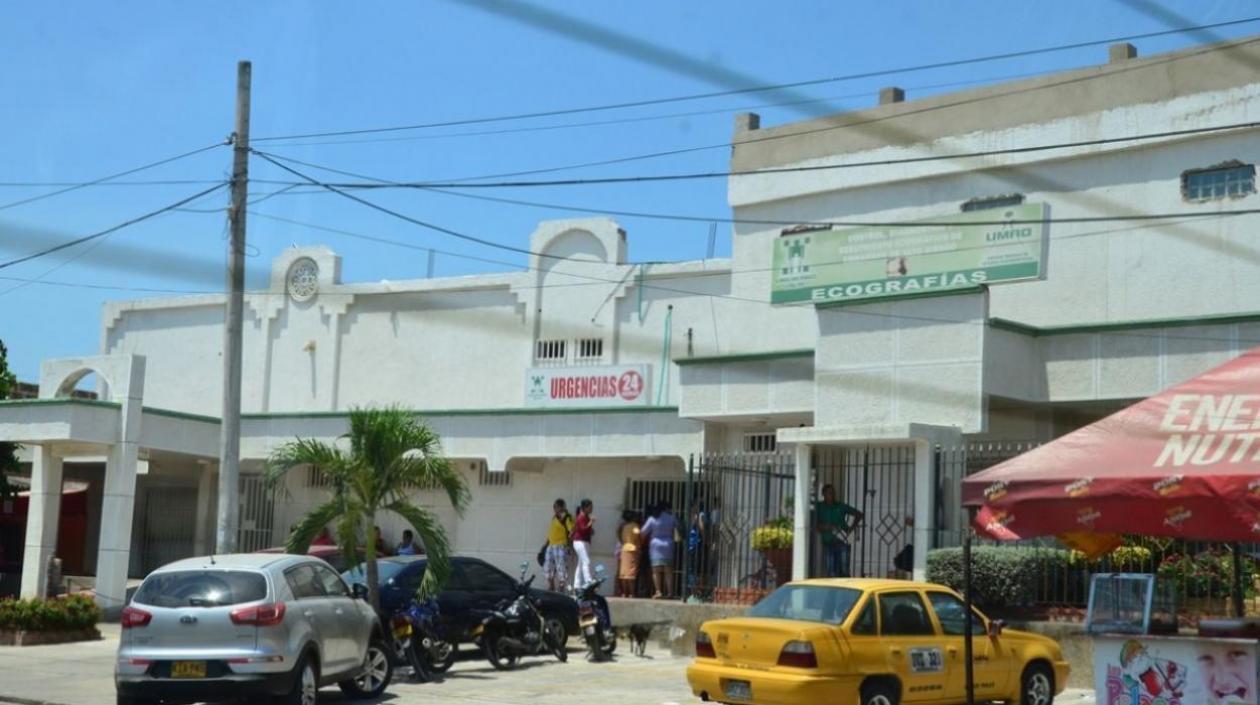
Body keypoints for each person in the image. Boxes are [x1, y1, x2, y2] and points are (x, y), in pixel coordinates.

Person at [815, 484, 863, 578]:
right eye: (829, 493)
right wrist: (827, 527)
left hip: (843, 541)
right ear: (823, 494)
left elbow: (859, 514)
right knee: (831, 571)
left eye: (833, 492)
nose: (832, 495)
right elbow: (815, 524)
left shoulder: (840, 506)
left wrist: (851, 528)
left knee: (844, 570)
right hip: (828, 542)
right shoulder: (819, 507)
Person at [640, 500, 678, 599]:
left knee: (656, 571)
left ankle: (658, 591)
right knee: (668, 571)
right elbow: (679, 528)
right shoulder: (672, 518)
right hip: (668, 545)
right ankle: (670, 593)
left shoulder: (652, 519)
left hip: (655, 546)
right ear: (666, 508)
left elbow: (643, 532)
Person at [543, 499, 575, 592]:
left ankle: (561, 587)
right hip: (551, 545)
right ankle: (551, 586)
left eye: (557, 507)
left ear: (562, 507)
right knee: (548, 567)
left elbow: (572, 530)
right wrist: (545, 545)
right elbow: (551, 532)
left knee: (561, 567)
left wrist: (569, 543)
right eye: (554, 507)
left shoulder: (567, 517)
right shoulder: (554, 518)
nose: (555, 509)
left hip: (561, 546)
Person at [571, 499, 595, 590]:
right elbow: (582, 529)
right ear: (585, 508)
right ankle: (588, 582)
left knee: (580, 564)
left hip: (584, 542)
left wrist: (590, 528)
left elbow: (586, 530)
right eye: (590, 507)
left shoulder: (586, 517)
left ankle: (576, 585)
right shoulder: (581, 517)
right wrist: (591, 522)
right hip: (580, 542)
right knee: (586, 561)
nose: (591, 509)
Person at [616, 510, 641, 597]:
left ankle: (624, 593)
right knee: (631, 574)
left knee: (623, 574)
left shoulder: (624, 526)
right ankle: (631, 593)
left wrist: (623, 542)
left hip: (624, 549)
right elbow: (638, 536)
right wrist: (639, 547)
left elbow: (619, 535)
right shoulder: (635, 526)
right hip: (632, 549)